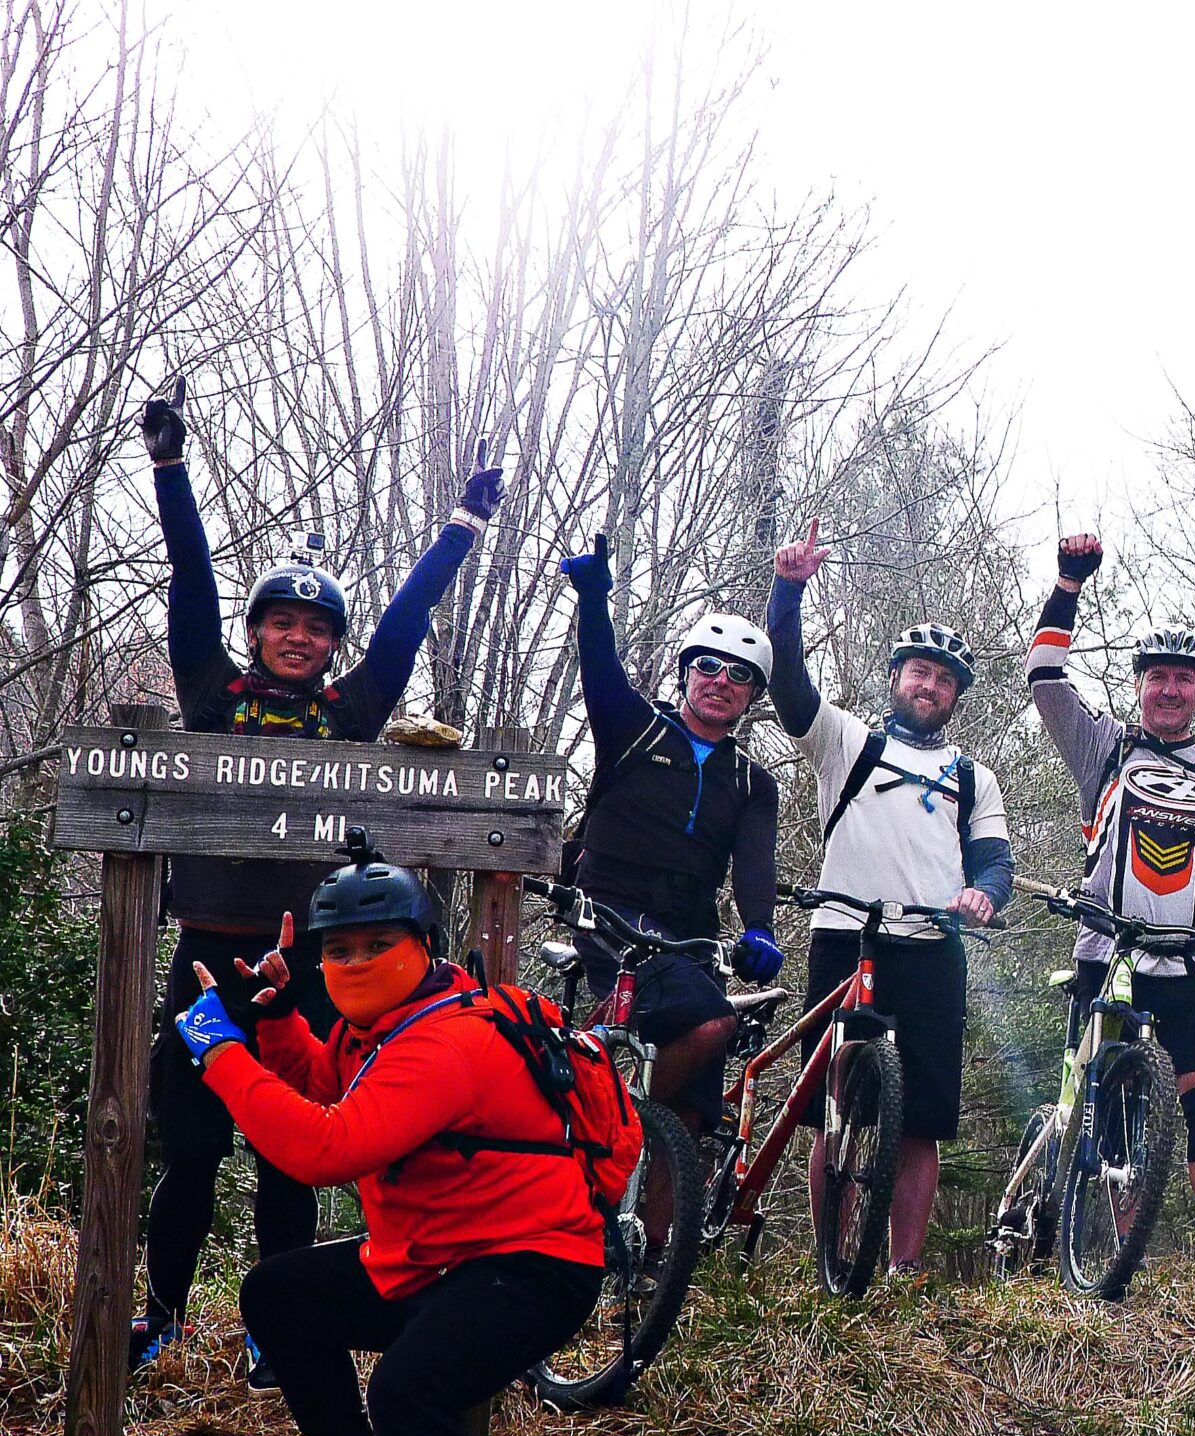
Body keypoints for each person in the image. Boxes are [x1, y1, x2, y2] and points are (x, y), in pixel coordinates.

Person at [131, 378, 506, 1380]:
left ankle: (272, 1326)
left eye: (315, 627)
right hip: (206, 956)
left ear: (330, 647)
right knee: (191, 1151)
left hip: (306, 972)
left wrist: (463, 525)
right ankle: (159, 1313)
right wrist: (170, 469)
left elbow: (407, 622)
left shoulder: (349, 716)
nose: (298, 636)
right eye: (281, 623)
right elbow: (190, 583)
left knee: (291, 1152)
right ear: (258, 636)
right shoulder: (214, 697)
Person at [173, 845, 607, 1436]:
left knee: (410, 1391)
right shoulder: (399, 1020)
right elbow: (336, 1086)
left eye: (378, 945)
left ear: (423, 943)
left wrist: (221, 1054)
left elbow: (324, 1147)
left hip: (533, 1261)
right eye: (339, 950)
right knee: (278, 1295)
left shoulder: (448, 1041)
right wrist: (277, 1024)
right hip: (435, 1255)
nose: (356, 964)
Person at [766, 518, 1013, 1275]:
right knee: (831, 1114)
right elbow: (788, 685)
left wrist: (982, 897)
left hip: (933, 950)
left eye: (944, 680)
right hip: (845, 937)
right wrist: (789, 591)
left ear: (956, 697)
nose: (929, 685)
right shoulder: (846, 742)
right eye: (918, 672)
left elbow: (995, 862)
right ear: (896, 678)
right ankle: (828, 1262)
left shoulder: (975, 775)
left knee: (922, 1125)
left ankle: (902, 1271)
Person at [1026, 534, 1195, 1256]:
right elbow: (1044, 677)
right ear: (1139, 684)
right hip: (1108, 952)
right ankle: (1110, 1253)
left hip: (1191, 965)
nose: (1170, 690)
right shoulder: (1102, 746)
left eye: (1185, 679)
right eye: (1158, 677)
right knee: (1110, 1108)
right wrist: (1069, 584)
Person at [558, 539, 784, 1125]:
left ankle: (657, 1204)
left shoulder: (751, 782)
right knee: (713, 1022)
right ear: (685, 674)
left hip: (691, 931)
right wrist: (593, 598)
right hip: (611, 910)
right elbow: (602, 675)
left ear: (752, 695)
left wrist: (759, 928)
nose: (720, 680)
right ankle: (613, 1124)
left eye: (739, 674)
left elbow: (755, 864)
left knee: (696, 1117)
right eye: (706, 665)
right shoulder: (635, 731)